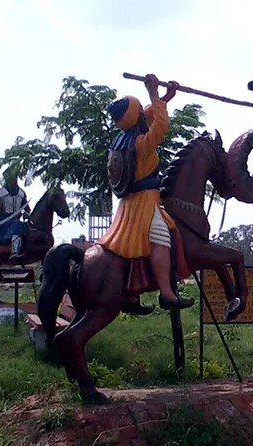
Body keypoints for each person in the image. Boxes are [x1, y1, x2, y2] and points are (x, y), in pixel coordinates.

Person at [99, 74, 193, 310]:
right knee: (162, 238)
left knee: (132, 245)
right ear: (134, 116)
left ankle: (131, 295)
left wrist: (167, 97)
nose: (144, 110)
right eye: (140, 108)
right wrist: (153, 93)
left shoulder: (122, 139)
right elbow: (160, 125)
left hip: (128, 205)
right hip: (145, 202)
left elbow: (147, 114)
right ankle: (167, 293)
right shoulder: (141, 143)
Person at [0, 169, 30, 259]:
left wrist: (27, 214)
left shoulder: (22, 194)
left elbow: (27, 209)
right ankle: (14, 252)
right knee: (16, 226)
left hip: (17, 222)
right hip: (2, 223)